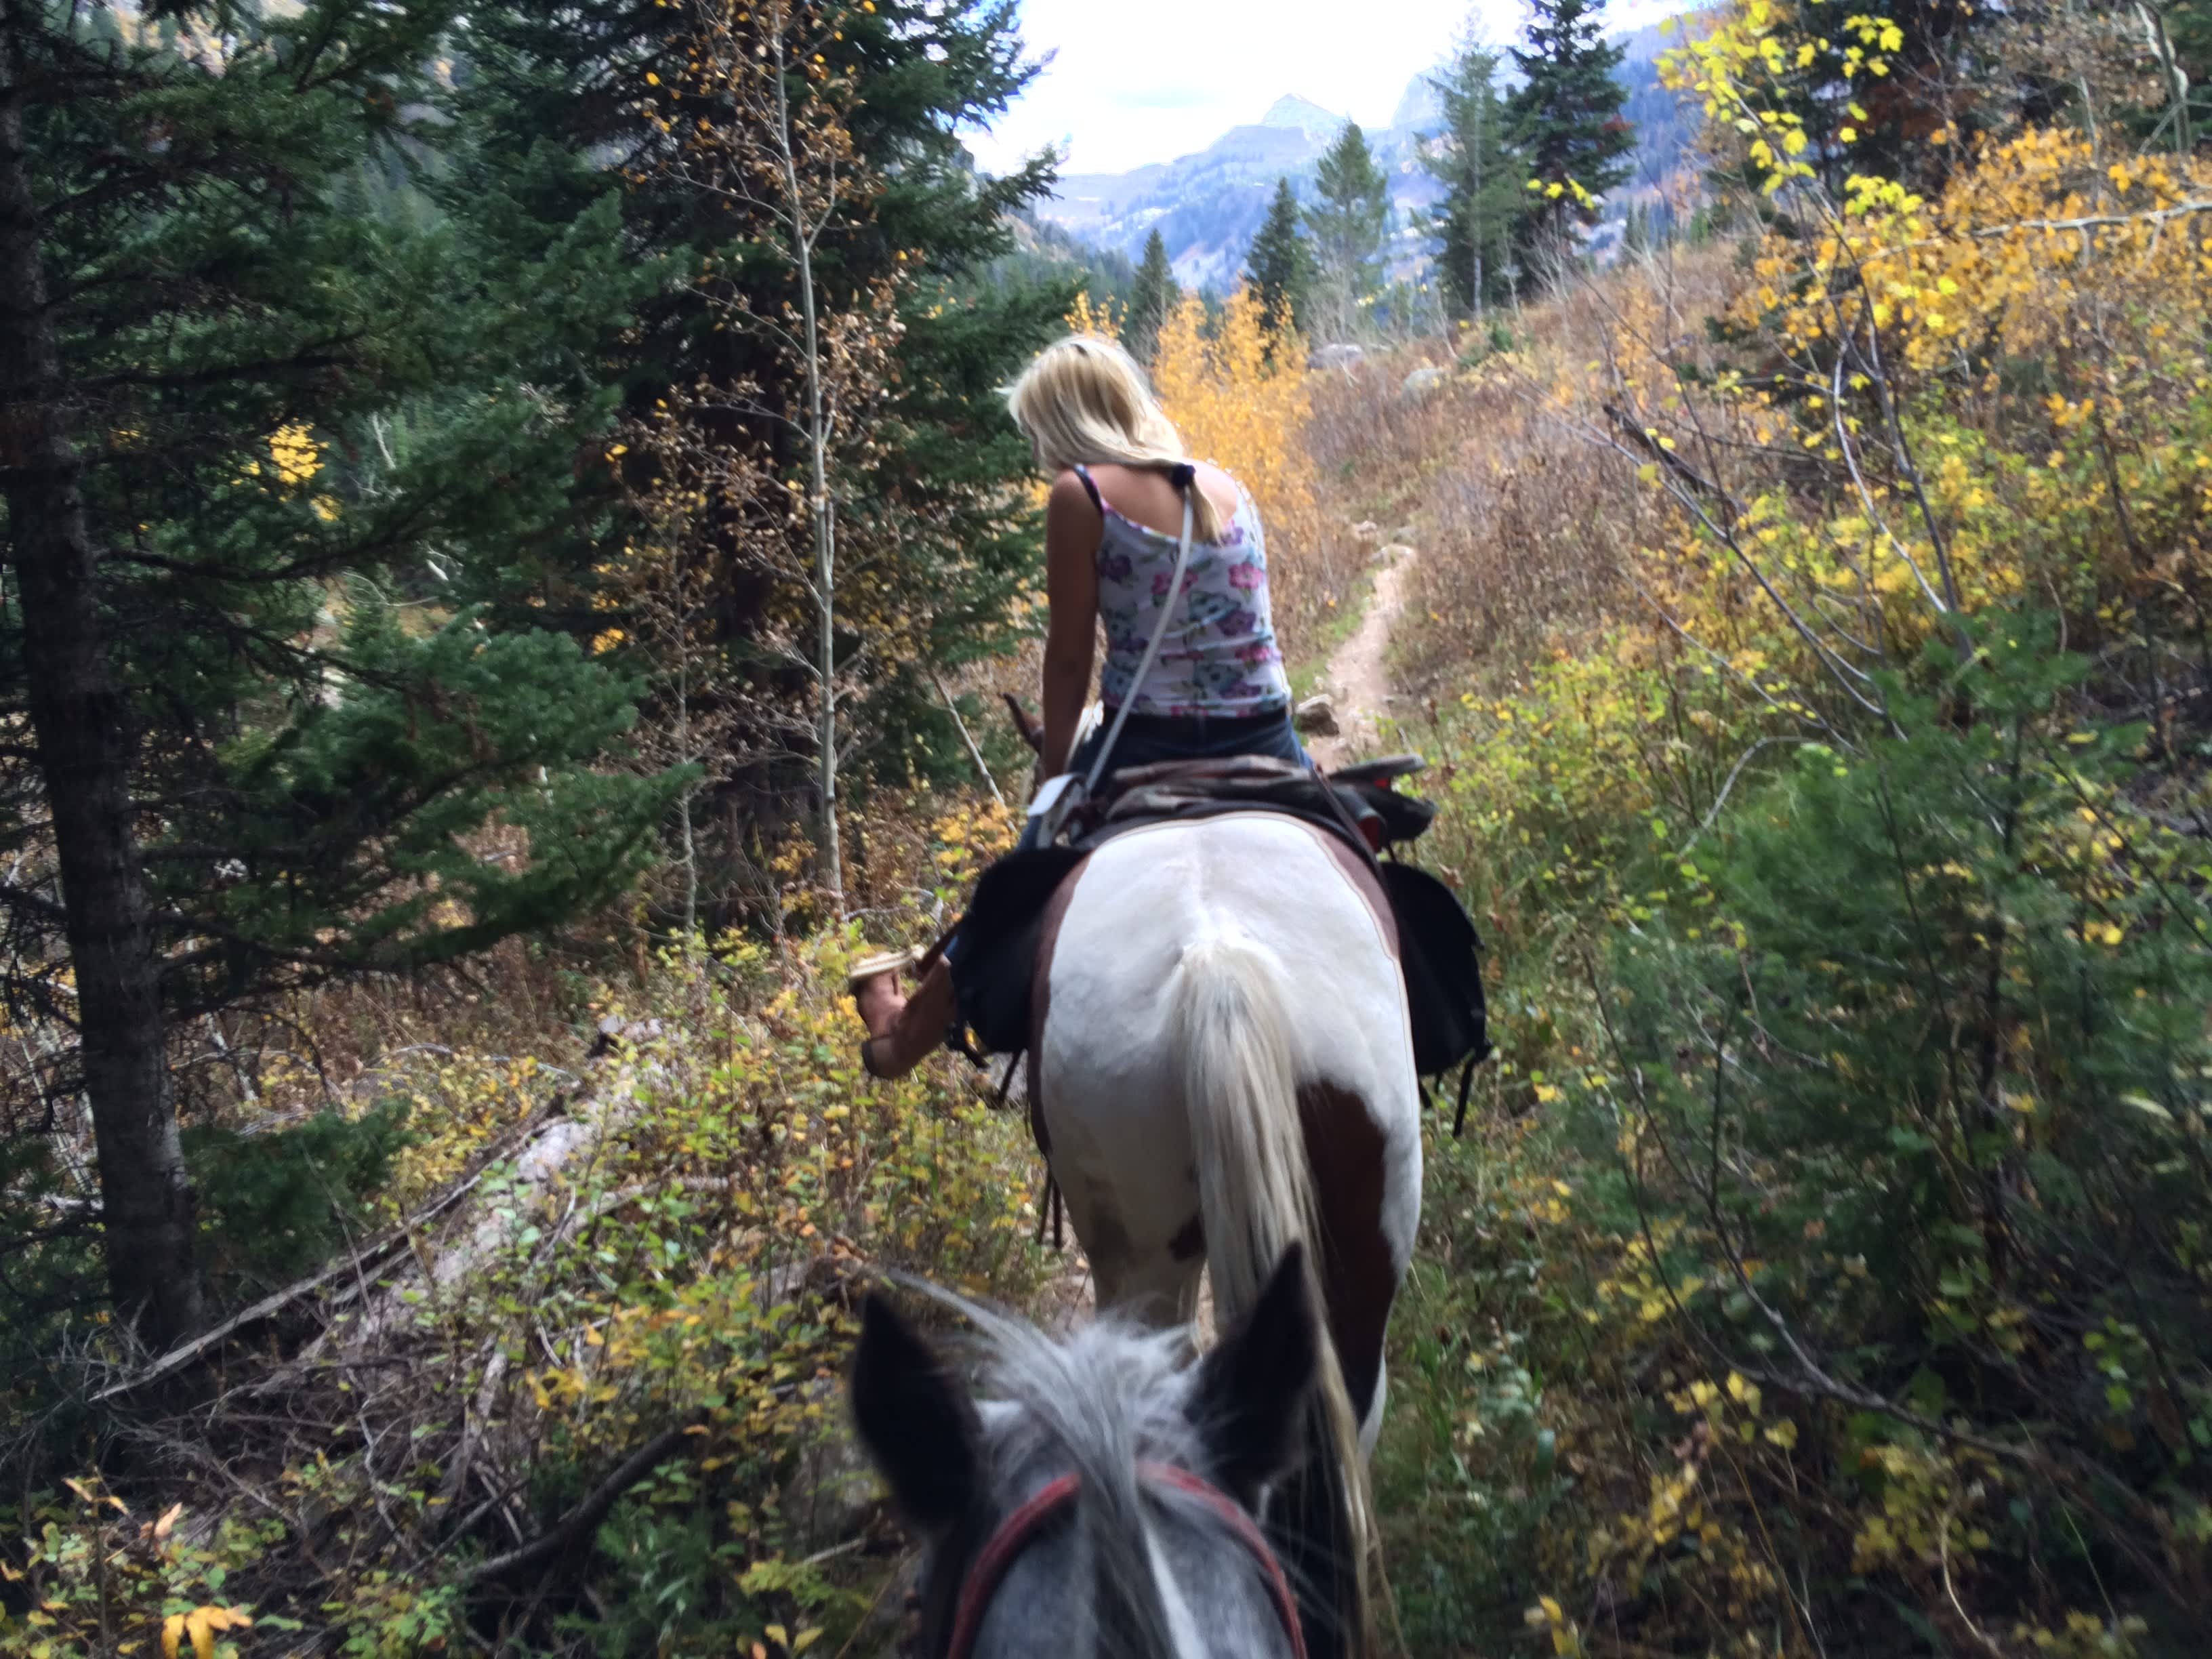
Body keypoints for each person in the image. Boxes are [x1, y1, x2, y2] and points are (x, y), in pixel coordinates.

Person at [851, 333, 1307, 1080]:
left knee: (1016, 888)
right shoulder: (1224, 486)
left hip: (1153, 741)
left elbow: (1068, 659)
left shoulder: (1082, 494)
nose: (1038, 453)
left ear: (1063, 423)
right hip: (1268, 731)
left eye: (1037, 432)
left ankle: (901, 1041)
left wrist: (1053, 781)